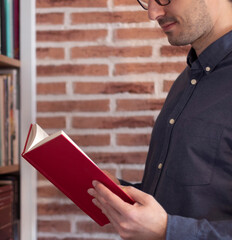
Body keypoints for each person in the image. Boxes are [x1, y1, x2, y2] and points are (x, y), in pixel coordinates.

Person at [87, 0, 232, 239]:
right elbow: (183, 199)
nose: (153, 14)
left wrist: (167, 230)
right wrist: (120, 193)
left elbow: (168, 224)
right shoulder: (186, 81)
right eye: (148, 1)